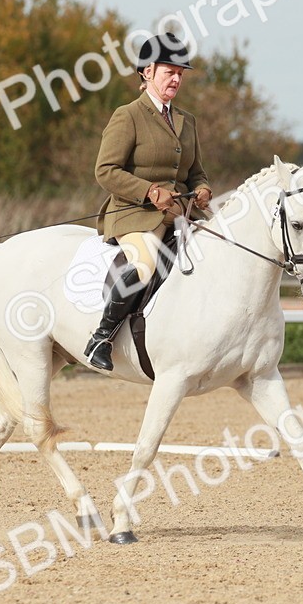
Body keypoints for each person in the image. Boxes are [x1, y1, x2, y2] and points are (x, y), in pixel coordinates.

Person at [84, 33, 213, 371]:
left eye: (180, 74)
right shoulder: (128, 116)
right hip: (135, 216)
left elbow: (196, 172)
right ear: (147, 72)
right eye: (169, 72)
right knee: (144, 264)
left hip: (180, 215)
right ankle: (102, 336)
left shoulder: (187, 121)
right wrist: (150, 191)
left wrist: (202, 189)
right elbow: (105, 171)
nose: (176, 79)